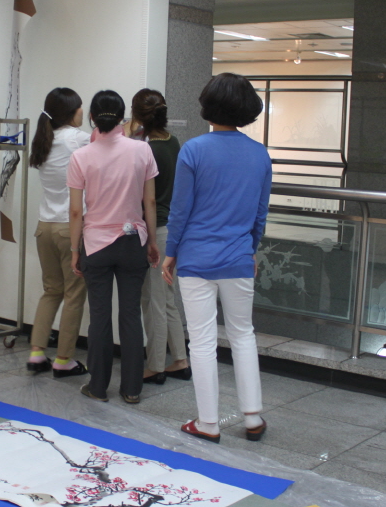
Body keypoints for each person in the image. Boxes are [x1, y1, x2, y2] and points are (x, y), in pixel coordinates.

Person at [163, 73, 272, 443]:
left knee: (202, 340)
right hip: (238, 257)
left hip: (195, 258)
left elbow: (180, 211)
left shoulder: (193, 150)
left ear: (208, 106)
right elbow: (260, 214)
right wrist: (250, 249)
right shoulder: (259, 154)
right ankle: (253, 417)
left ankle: (208, 423)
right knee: (243, 335)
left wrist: (171, 252)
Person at [68, 90, 158, 404]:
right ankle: (132, 389)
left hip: (96, 245)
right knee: (131, 315)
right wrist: (153, 242)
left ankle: (98, 386)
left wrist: (75, 250)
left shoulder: (81, 156)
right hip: (133, 242)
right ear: (123, 118)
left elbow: (76, 211)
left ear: (92, 117)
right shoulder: (142, 150)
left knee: (100, 317)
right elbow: (149, 201)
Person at [125, 89, 189, 385]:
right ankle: (180, 359)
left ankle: (155, 366)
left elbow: (141, 193)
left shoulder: (146, 149)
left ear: (137, 115)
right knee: (167, 298)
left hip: (156, 229)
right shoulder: (173, 142)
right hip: (172, 227)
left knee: (152, 301)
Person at [26, 88, 90, 377]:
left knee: (51, 292)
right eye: (79, 107)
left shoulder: (45, 138)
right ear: (70, 112)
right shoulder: (75, 138)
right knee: (74, 294)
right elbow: (109, 141)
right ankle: (64, 359)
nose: (82, 112)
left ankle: (37, 353)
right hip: (69, 228)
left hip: (45, 227)